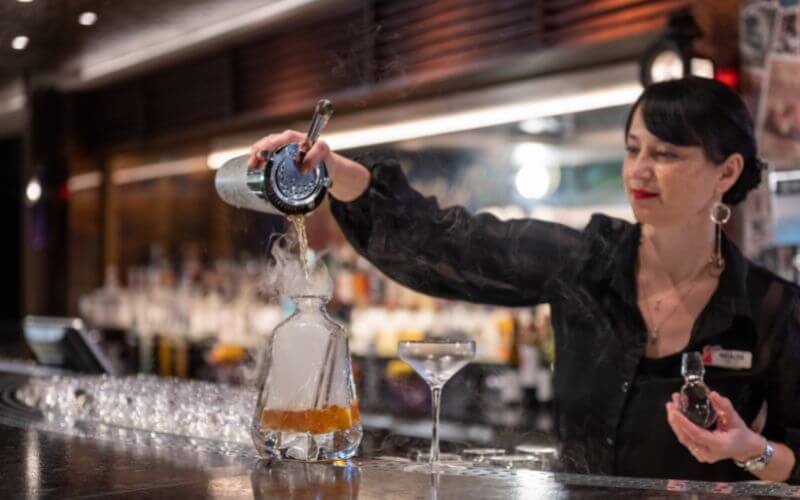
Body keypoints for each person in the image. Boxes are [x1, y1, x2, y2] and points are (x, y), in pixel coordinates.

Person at [247, 77, 800, 483]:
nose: (639, 170)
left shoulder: (773, 309)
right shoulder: (587, 261)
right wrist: (335, 171)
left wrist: (750, 449)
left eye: (666, 154)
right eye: (633, 149)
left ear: (726, 172)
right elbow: (443, 243)